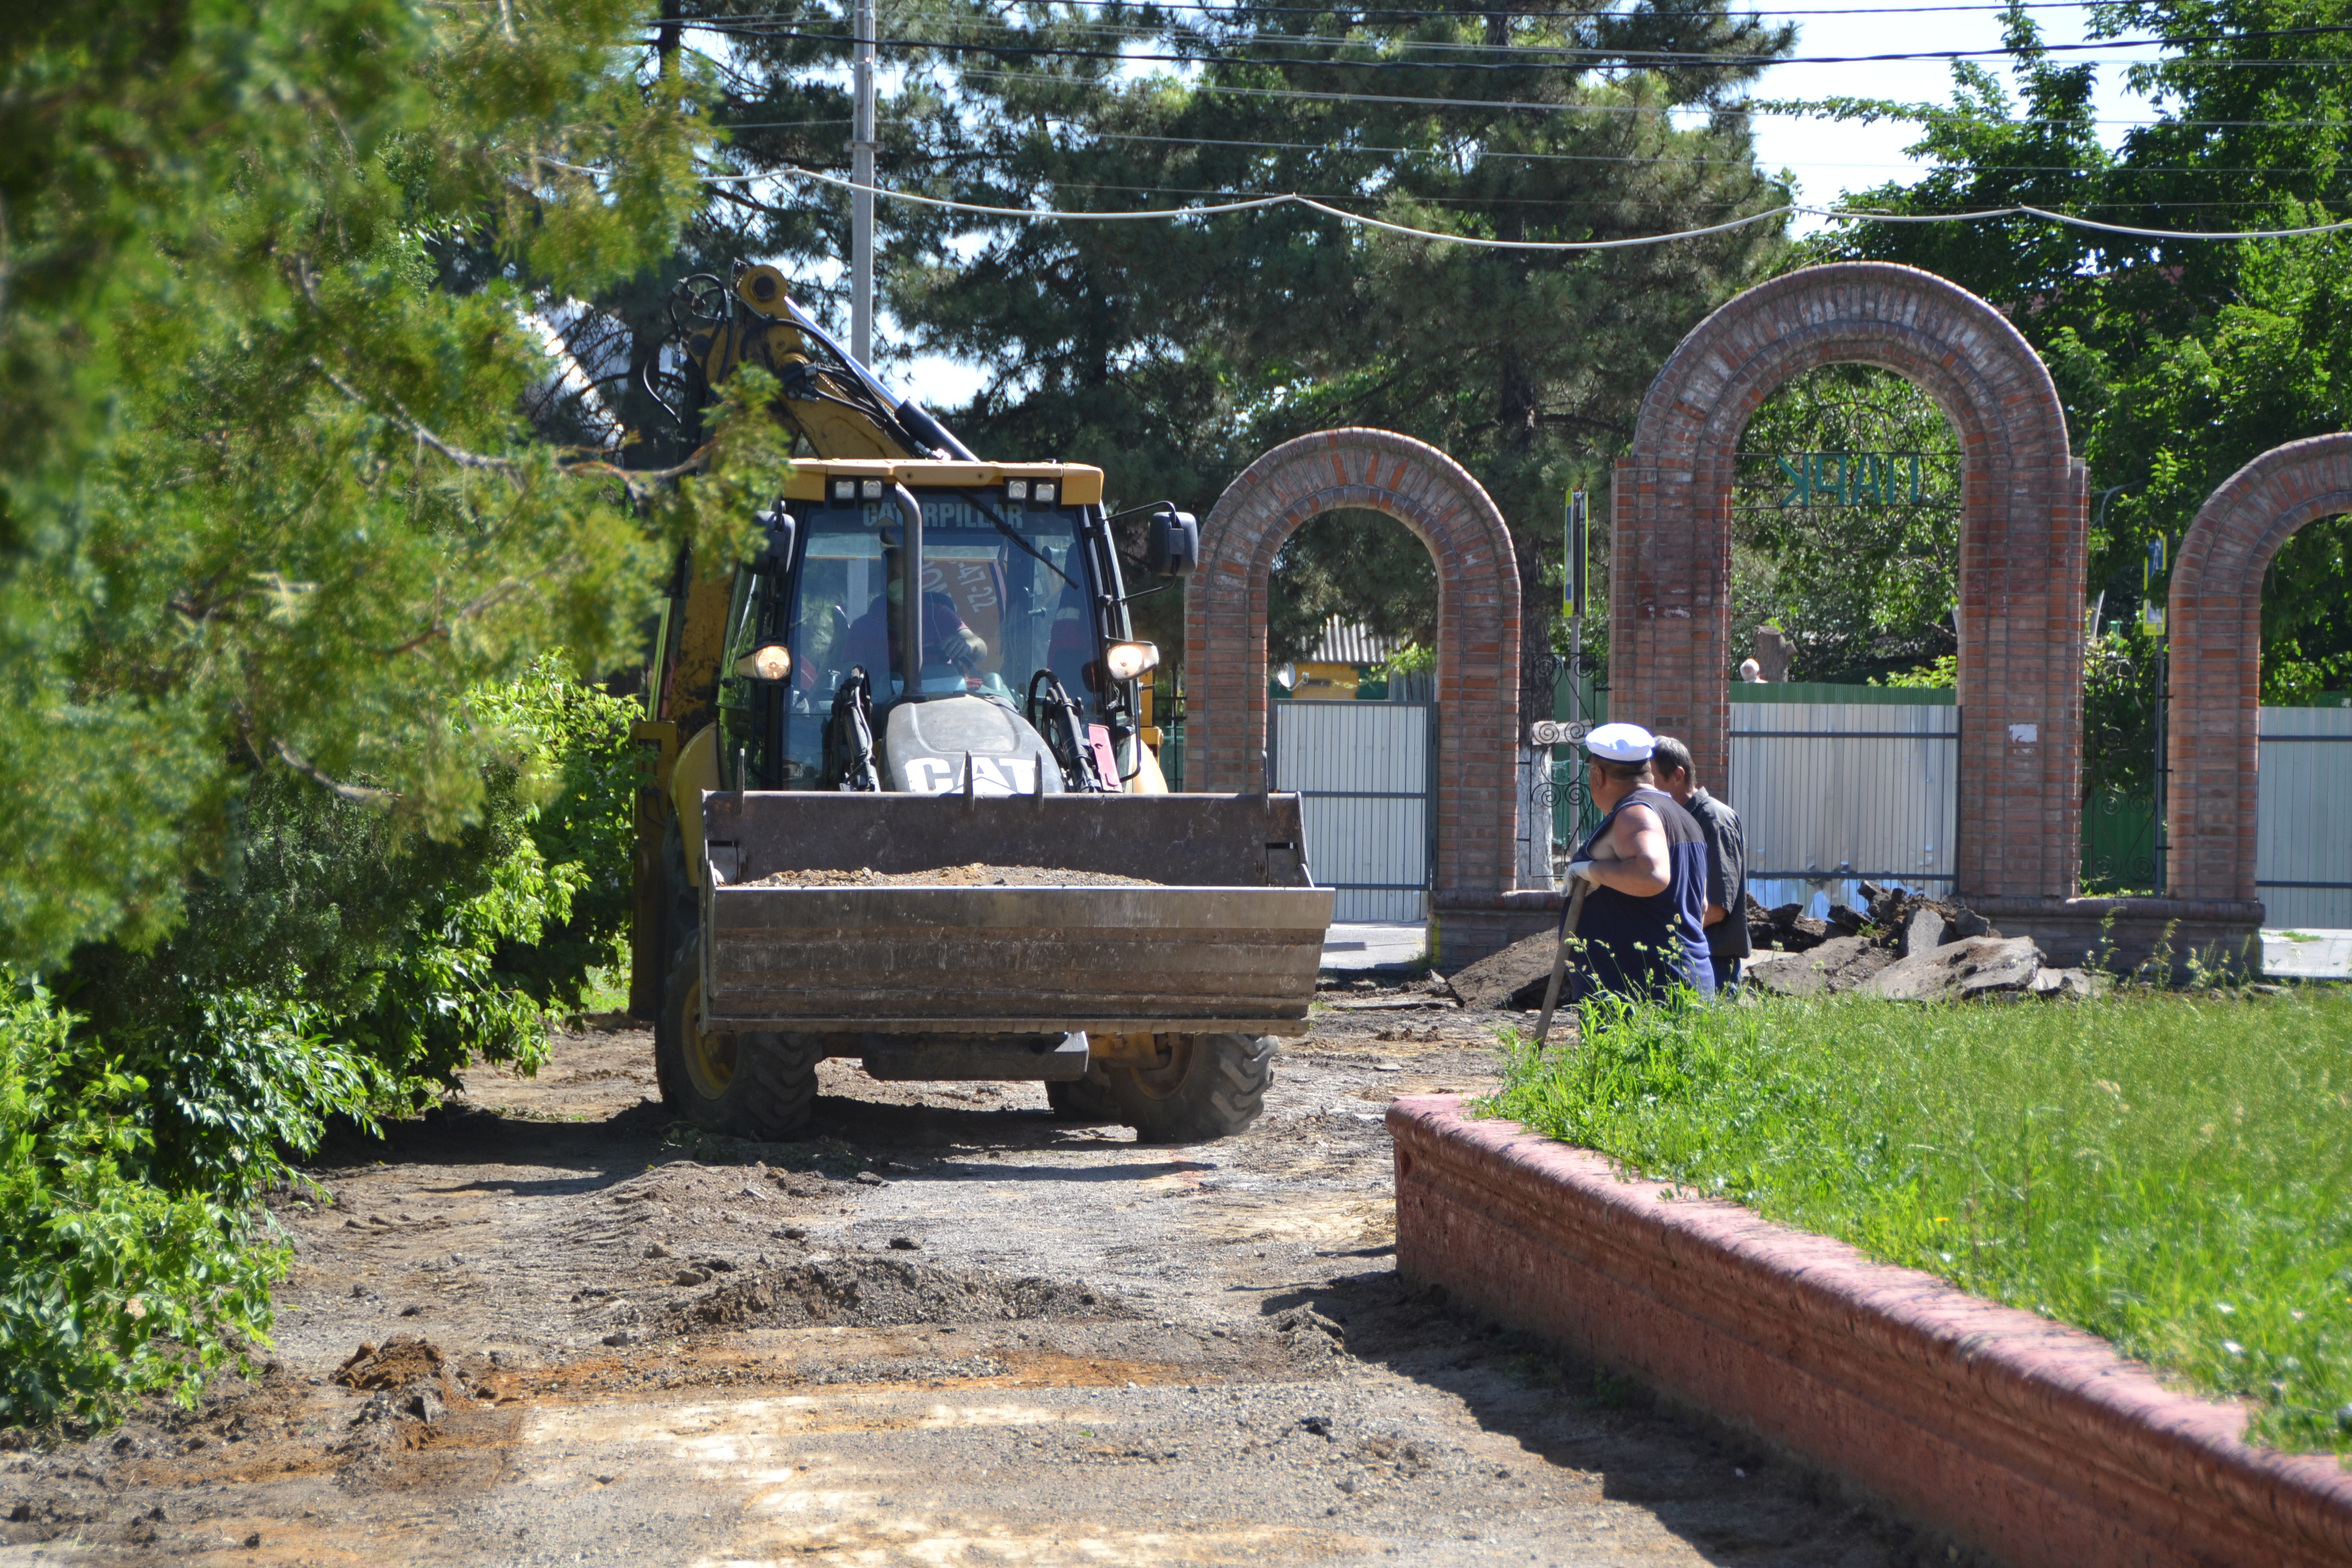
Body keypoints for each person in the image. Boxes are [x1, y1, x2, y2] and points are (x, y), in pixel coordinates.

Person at [1562, 723, 1715, 1003]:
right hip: (1679, 982)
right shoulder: (1683, 817)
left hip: (1642, 995)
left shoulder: (1636, 813)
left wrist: (1591, 869)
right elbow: (1701, 905)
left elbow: (1652, 875)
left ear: (1598, 776)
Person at [1650, 734, 1750, 995]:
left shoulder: (1714, 821)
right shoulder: (1675, 819)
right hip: (1683, 957)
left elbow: (1717, 908)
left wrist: (1663, 938)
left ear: (1678, 775)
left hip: (1711, 964)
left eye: (1653, 780)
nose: (1648, 789)